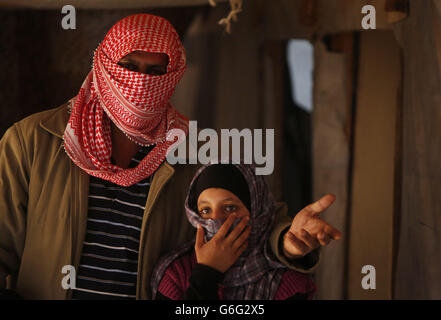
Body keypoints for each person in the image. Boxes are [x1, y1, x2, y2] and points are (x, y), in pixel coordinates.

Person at [0, 13, 341, 300]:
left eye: (154, 73)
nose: (140, 84)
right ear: (103, 65)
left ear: (173, 77)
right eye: (128, 66)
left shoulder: (195, 152)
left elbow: (255, 218)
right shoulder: (33, 142)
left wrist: (290, 241)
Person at [151, 163, 317, 300]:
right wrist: (206, 274)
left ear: (256, 211)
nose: (215, 220)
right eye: (206, 210)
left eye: (230, 208)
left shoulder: (286, 282)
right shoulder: (175, 273)